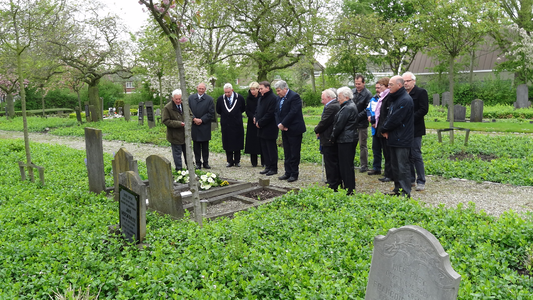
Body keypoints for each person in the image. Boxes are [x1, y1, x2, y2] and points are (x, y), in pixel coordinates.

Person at [381, 76, 414, 197]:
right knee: (395, 165)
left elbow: (396, 118)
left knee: (402, 165)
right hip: (394, 137)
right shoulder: (395, 98)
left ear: (399, 85)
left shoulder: (405, 100)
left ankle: (405, 191)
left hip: (402, 137)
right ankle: (398, 189)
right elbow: (388, 115)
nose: (388, 87)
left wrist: (384, 128)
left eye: (391, 84)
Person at [274, 80, 306, 182]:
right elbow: (276, 112)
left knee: (294, 152)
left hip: (294, 129)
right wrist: (279, 124)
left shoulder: (294, 97)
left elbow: (293, 112)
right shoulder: (279, 99)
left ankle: (294, 173)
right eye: (276, 91)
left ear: (285, 89)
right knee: (287, 151)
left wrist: (284, 124)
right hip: (284, 129)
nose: (277, 93)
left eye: (279, 91)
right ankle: (287, 172)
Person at [402, 72, 429, 192]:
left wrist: (410, 119)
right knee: (408, 156)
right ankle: (411, 179)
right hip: (404, 129)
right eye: (404, 81)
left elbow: (424, 109)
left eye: (408, 81)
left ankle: (421, 180)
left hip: (416, 128)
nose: (406, 83)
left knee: (416, 154)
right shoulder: (402, 93)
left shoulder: (420, 92)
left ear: (414, 81)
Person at [330, 86, 358, 195]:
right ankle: (349, 187)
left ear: (346, 97)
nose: (338, 99)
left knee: (345, 165)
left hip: (346, 139)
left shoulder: (347, 108)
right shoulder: (349, 106)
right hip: (348, 138)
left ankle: (349, 189)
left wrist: (332, 137)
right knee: (347, 165)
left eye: (340, 97)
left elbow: (339, 125)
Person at [314, 89, 341, 191]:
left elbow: (324, 122)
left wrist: (316, 130)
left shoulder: (332, 106)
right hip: (329, 137)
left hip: (328, 137)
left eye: (323, 99)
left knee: (330, 162)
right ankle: (333, 180)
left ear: (329, 97)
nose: (322, 101)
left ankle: (333, 183)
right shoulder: (334, 105)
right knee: (331, 161)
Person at [216, 83, 245, 167]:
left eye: (228, 92)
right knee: (227, 142)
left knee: (237, 142)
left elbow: (242, 108)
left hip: (237, 124)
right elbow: (218, 110)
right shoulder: (221, 99)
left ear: (232, 90)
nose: (227, 94)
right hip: (226, 124)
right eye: (225, 92)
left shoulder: (239, 98)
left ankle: (237, 160)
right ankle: (229, 161)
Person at [254, 81, 278, 176]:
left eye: (261, 88)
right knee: (264, 148)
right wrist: (255, 117)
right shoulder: (261, 98)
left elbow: (270, 113)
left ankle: (273, 167)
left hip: (269, 128)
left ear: (267, 88)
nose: (259, 90)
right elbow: (257, 109)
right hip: (261, 128)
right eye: (259, 89)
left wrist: (260, 122)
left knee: (271, 148)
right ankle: (267, 166)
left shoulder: (273, 98)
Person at [188, 82, 215, 169]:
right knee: (196, 146)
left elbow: (211, 113)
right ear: (197, 88)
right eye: (200, 88)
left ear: (205, 89)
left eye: (203, 89)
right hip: (194, 125)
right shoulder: (191, 98)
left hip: (204, 126)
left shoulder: (209, 99)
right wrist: (194, 119)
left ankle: (206, 162)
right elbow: (188, 110)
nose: (201, 90)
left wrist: (202, 120)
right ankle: (198, 162)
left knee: (205, 146)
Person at [351, 75, 372, 173]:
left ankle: (364, 165)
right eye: (356, 83)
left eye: (359, 83)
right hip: (352, 123)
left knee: (362, 144)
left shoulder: (368, 94)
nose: (357, 85)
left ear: (364, 83)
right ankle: (350, 162)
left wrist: (357, 117)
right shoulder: (352, 92)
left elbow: (367, 109)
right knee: (351, 143)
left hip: (362, 123)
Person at [162, 89, 187, 171]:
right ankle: (179, 170)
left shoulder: (185, 105)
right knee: (177, 154)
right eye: (176, 99)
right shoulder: (167, 108)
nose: (178, 101)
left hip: (185, 135)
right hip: (174, 135)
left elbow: (190, 114)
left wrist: (189, 121)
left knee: (187, 153)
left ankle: (190, 168)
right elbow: (166, 121)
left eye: (180, 99)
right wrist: (179, 124)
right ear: (172, 98)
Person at [373, 77, 392, 183]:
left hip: (385, 129)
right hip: (380, 127)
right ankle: (387, 173)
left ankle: (389, 174)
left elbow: (386, 115)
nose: (379, 88)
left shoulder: (388, 97)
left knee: (388, 153)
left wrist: (385, 129)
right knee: (385, 152)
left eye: (381, 86)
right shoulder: (382, 97)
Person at [244, 82, 263, 167]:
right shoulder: (249, 98)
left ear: (258, 89)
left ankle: (264, 161)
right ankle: (253, 161)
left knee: (261, 141)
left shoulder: (262, 97)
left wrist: (257, 117)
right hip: (252, 122)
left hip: (260, 121)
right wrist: (252, 117)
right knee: (252, 141)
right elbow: (247, 110)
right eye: (251, 89)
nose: (252, 91)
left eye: (254, 89)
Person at [366, 83, 381, 175]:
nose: (377, 89)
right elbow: (368, 109)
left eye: (379, 87)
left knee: (386, 151)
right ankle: (376, 168)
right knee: (376, 149)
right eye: (376, 88)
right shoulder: (373, 99)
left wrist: (374, 120)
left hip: (382, 128)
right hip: (374, 129)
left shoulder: (386, 99)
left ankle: (388, 170)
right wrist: (369, 117)